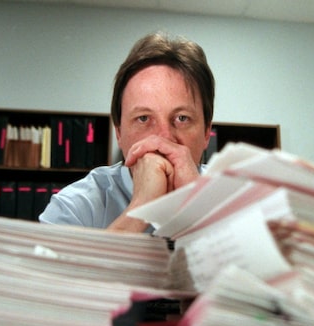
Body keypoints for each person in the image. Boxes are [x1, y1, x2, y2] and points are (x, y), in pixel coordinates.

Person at [38, 32, 215, 233]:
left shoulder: (244, 204)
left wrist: (198, 211)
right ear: (119, 133)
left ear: (207, 133)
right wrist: (141, 208)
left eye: (182, 118)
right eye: (143, 119)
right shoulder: (74, 208)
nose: (164, 138)